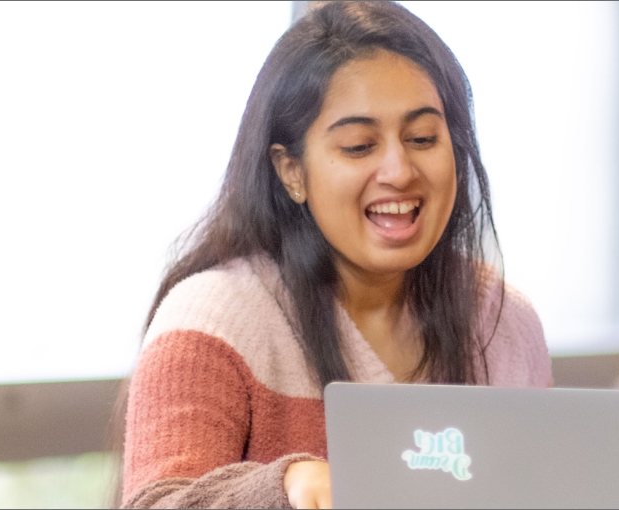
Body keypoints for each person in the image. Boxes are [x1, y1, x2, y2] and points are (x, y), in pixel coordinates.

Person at [120, 3, 550, 508]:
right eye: (359, 145)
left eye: (422, 139)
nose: (399, 169)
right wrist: (285, 487)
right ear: (291, 172)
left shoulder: (503, 320)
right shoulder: (215, 319)